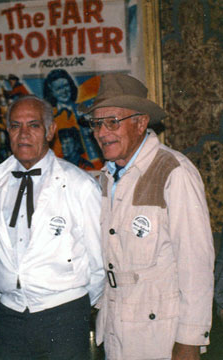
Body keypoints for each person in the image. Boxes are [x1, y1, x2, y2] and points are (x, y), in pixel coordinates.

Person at [79, 73, 215, 359]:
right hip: (116, 329)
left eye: (112, 122)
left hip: (159, 337)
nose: (102, 133)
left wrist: (189, 340)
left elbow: (197, 264)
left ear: (140, 123)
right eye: (96, 124)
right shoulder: (105, 178)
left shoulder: (173, 171)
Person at [0, 94, 105, 359]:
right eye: (15, 126)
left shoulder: (79, 185)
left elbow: (99, 262)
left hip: (64, 315)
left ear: (50, 131)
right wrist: (4, 282)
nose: (23, 134)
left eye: (33, 125)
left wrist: (76, 304)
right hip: (10, 316)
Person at [43, 69, 103, 170]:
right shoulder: (49, 117)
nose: (64, 91)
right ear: (51, 92)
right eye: (58, 88)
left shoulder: (86, 110)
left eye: (66, 86)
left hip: (94, 168)